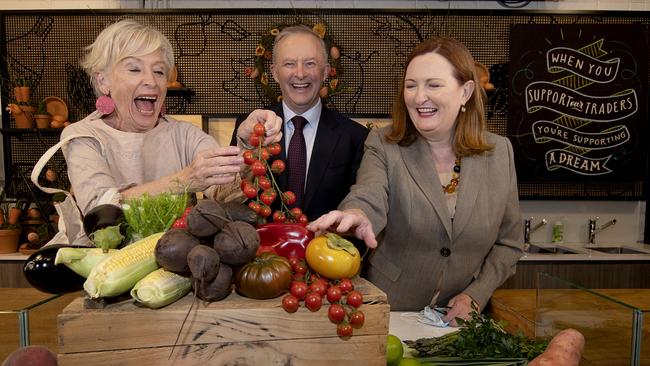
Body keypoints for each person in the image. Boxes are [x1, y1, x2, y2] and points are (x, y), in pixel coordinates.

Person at [307, 37, 523, 324]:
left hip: (461, 319)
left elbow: (509, 243)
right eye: (411, 85)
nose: (419, 97)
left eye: (433, 85)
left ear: (466, 91)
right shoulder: (384, 144)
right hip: (390, 312)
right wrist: (357, 214)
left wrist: (476, 295)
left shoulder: (499, 153)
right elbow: (369, 194)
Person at [62, 19, 281, 215]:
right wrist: (185, 180)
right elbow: (100, 209)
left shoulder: (184, 134)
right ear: (103, 82)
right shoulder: (82, 136)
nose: (151, 81)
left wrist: (248, 145)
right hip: (101, 258)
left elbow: (226, 193)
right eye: (135, 69)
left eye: (158, 71)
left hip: (173, 256)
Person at [230, 25, 368, 221]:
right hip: (265, 249)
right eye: (289, 64)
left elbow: (358, 205)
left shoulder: (355, 137)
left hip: (323, 248)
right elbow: (234, 198)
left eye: (310, 63)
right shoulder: (250, 128)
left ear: (326, 71)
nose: (300, 73)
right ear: (275, 73)